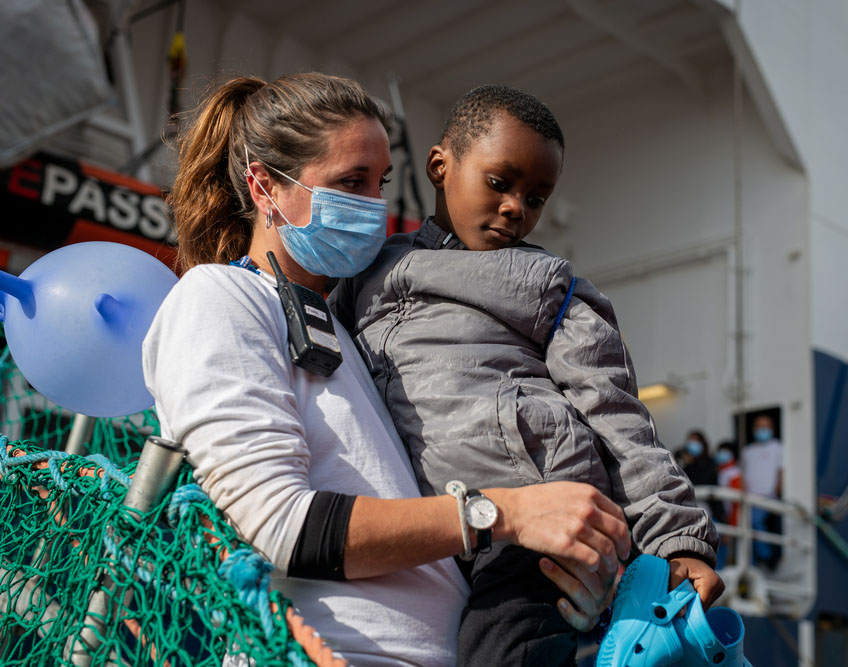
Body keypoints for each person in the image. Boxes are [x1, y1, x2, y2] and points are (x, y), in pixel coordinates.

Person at [142, 73, 631, 667]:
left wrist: (563, 585)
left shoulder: (350, 325)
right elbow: (285, 524)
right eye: (351, 182)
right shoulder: (218, 298)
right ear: (263, 184)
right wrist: (509, 513)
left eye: (380, 184)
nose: (373, 208)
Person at [334, 84, 722, 666]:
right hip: (439, 526)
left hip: (538, 525)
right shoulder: (363, 275)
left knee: (500, 653)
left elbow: (617, 415)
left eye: (537, 197)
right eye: (500, 183)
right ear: (440, 167)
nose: (517, 207)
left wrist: (679, 540)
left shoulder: (546, 286)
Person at [743, 414, 783, 569]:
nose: (762, 430)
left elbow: (781, 470)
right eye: (759, 427)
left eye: (765, 427)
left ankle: (765, 556)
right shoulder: (747, 451)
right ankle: (753, 561)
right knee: (747, 527)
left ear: (771, 429)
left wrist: (778, 489)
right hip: (749, 497)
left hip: (768, 496)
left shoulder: (777, 447)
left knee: (755, 522)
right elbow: (744, 472)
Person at [714, 440, 743, 568]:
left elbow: (737, 503)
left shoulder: (735, 473)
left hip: (731, 517)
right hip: (721, 516)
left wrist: (732, 524)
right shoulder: (718, 472)